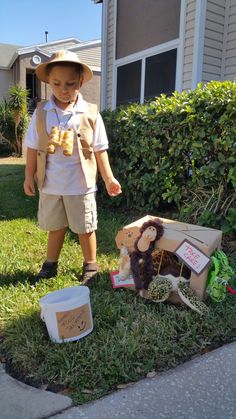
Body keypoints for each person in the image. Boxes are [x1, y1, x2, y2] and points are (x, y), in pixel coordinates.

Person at [23, 50, 122, 285]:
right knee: (55, 227)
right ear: (48, 82)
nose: (63, 89)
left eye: (70, 84)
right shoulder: (41, 113)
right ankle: (50, 264)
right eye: (56, 83)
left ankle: (90, 264)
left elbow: (100, 149)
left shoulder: (89, 113)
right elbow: (32, 147)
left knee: (85, 227)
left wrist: (109, 178)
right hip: (50, 183)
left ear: (80, 83)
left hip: (81, 184)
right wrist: (29, 176)